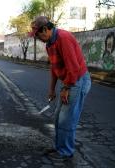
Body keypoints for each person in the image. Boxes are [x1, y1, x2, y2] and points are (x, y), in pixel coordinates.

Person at [29, 16, 91, 161]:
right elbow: (55, 68)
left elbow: (74, 68)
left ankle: (66, 151)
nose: (37, 38)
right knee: (58, 117)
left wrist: (66, 88)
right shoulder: (50, 43)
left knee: (67, 119)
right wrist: (52, 89)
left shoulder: (64, 38)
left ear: (45, 29)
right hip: (69, 81)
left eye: (37, 34)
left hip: (77, 81)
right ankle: (59, 147)